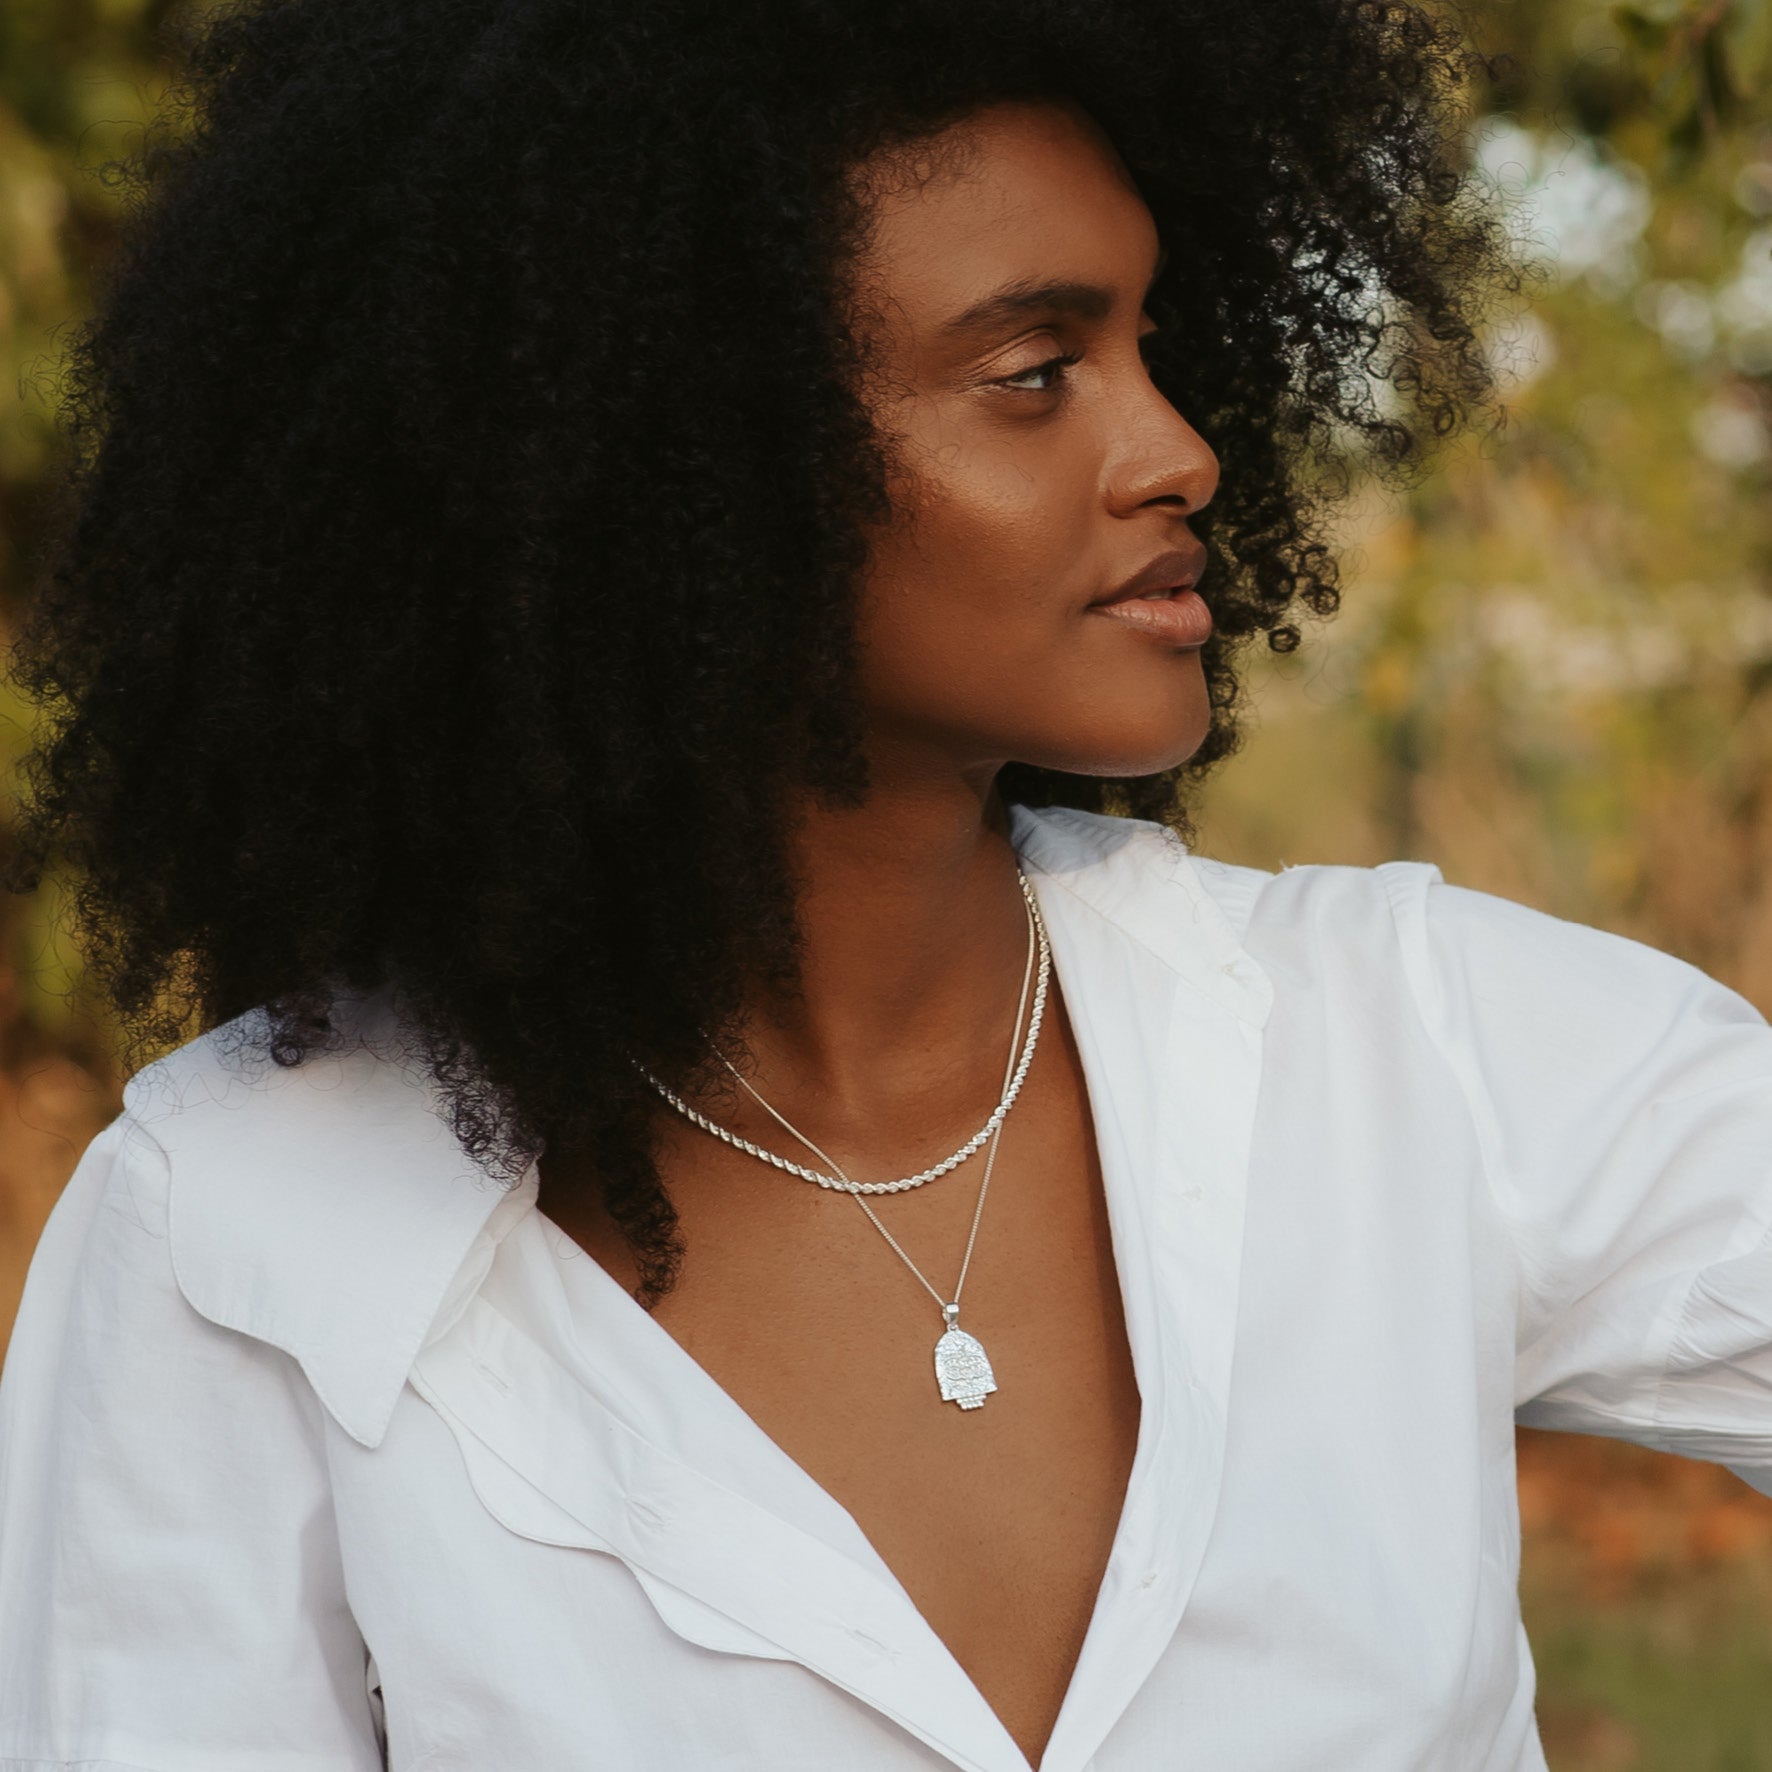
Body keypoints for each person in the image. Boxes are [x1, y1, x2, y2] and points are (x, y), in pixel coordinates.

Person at [1, 1, 1768, 1768]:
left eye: (1149, 341)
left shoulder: (1418, 1052)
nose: (1180, 452)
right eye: (1033, 373)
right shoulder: (240, 1242)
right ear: (677, 465)